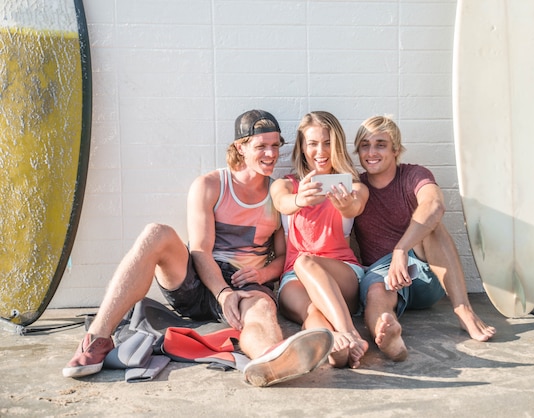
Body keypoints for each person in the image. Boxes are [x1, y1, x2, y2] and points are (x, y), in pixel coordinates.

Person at [63, 109, 333, 387]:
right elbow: (201, 251)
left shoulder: (279, 192)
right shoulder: (210, 185)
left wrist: (262, 276)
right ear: (241, 147)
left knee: (263, 308)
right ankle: (97, 339)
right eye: (261, 146)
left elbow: (284, 258)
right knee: (156, 233)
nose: (270, 154)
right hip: (199, 283)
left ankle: (270, 361)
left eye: (275, 146)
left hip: (246, 286)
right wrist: (223, 293)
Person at [353, 115, 496, 362]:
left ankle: (463, 311)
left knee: (433, 227)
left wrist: (401, 249)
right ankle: (388, 333)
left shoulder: (413, 175)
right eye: (365, 145)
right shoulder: (357, 186)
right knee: (375, 291)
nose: (371, 152)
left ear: (396, 150)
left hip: (421, 272)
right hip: (383, 275)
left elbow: (435, 204)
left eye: (380, 144)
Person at [270, 111, 369, 369]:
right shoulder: (287, 184)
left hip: (342, 273)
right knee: (312, 312)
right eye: (312, 143)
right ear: (302, 147)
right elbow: (282, 202)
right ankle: (335, 348)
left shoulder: (352, 186)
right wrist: (299, 200)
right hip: (294, 278)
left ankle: (349, 333)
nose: (320, 151)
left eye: (328, 143)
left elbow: (354, 207)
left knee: (304, 261)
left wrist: (345, 204)